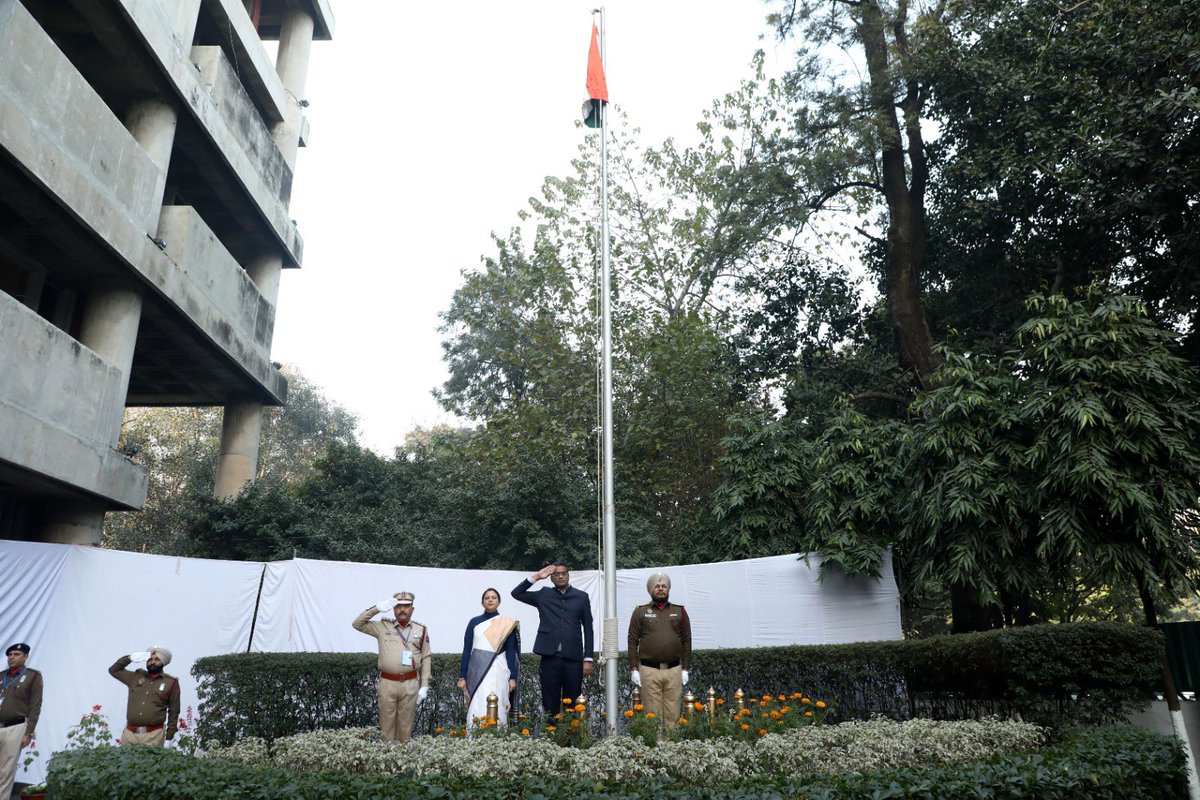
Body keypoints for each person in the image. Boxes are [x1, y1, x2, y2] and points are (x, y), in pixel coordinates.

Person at [512, 563, 594, 715]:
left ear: (568, 575)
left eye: (563, 573)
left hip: (573, 658)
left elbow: (588, 628)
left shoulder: (581, 597)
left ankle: (572, 737)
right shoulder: (544, 594)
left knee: (573, 702)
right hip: (550, 657)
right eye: (556, 574)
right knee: (550, 703)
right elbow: (516, 593)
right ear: (551, 578)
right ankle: (551, 736)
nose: (560, 576)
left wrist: (588, 658)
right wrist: (537, 576)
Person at [352, 591, 431, 743]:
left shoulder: (421, 630)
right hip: (387, 683)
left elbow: (426, 656)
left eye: (406, 606)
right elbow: (357, 624)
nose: (402, 609)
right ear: (393, 609)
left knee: (405, 730)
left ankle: (402, 763)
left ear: (412, 609)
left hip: (410, 684)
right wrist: (376, 609)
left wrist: (425, 685)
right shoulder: (382, 626)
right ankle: (386, 763)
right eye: (398, 606)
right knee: (386, 729)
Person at [628, 572, 691, 727]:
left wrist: (685, 668)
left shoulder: (679, 610)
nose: (661, 589)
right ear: (651, 590)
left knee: (673, 713)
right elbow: (632, 640)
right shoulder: (640, 611)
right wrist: (634, 668)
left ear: (668, 589)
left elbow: (686, 640)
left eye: (664, 586)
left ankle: (672, 746)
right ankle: (655, 748)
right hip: (649, 670)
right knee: (652, 714)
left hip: (674, 670)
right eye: (657, 586)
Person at [458, 588, 520, 728]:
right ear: (482, 602)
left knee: (498, 701)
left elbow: (511, 651)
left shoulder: (506, 624)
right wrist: (462, 676)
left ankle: (498, 737)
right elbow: (467, 650)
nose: (490, 600)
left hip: (499, 669)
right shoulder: (474, 622)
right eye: (487, 598)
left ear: (499, 602)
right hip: (477, 670)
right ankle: (475, 735)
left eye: (493, 597)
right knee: (477, 701)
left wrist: (512, 677)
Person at [108, 646, 180, 746]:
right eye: (149, 659)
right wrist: (129, 658)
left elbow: (174, 710)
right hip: (129, 734)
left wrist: (169, 736)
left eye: (157, 659)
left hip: (153, 735)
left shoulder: (170, 682)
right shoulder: (135, 677)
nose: (152, 662)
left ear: (163, 662)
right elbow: (113, 670)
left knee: (151, 762)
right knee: (125, 761)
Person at [0, 643, 41, 800]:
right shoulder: (1, 676)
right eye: (10, 655)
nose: (12, 657)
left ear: (25, 657)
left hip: (14, 728)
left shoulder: (33, 677)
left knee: (6, 772)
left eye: (17, 654)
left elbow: (35, 706)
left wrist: (28, 733)